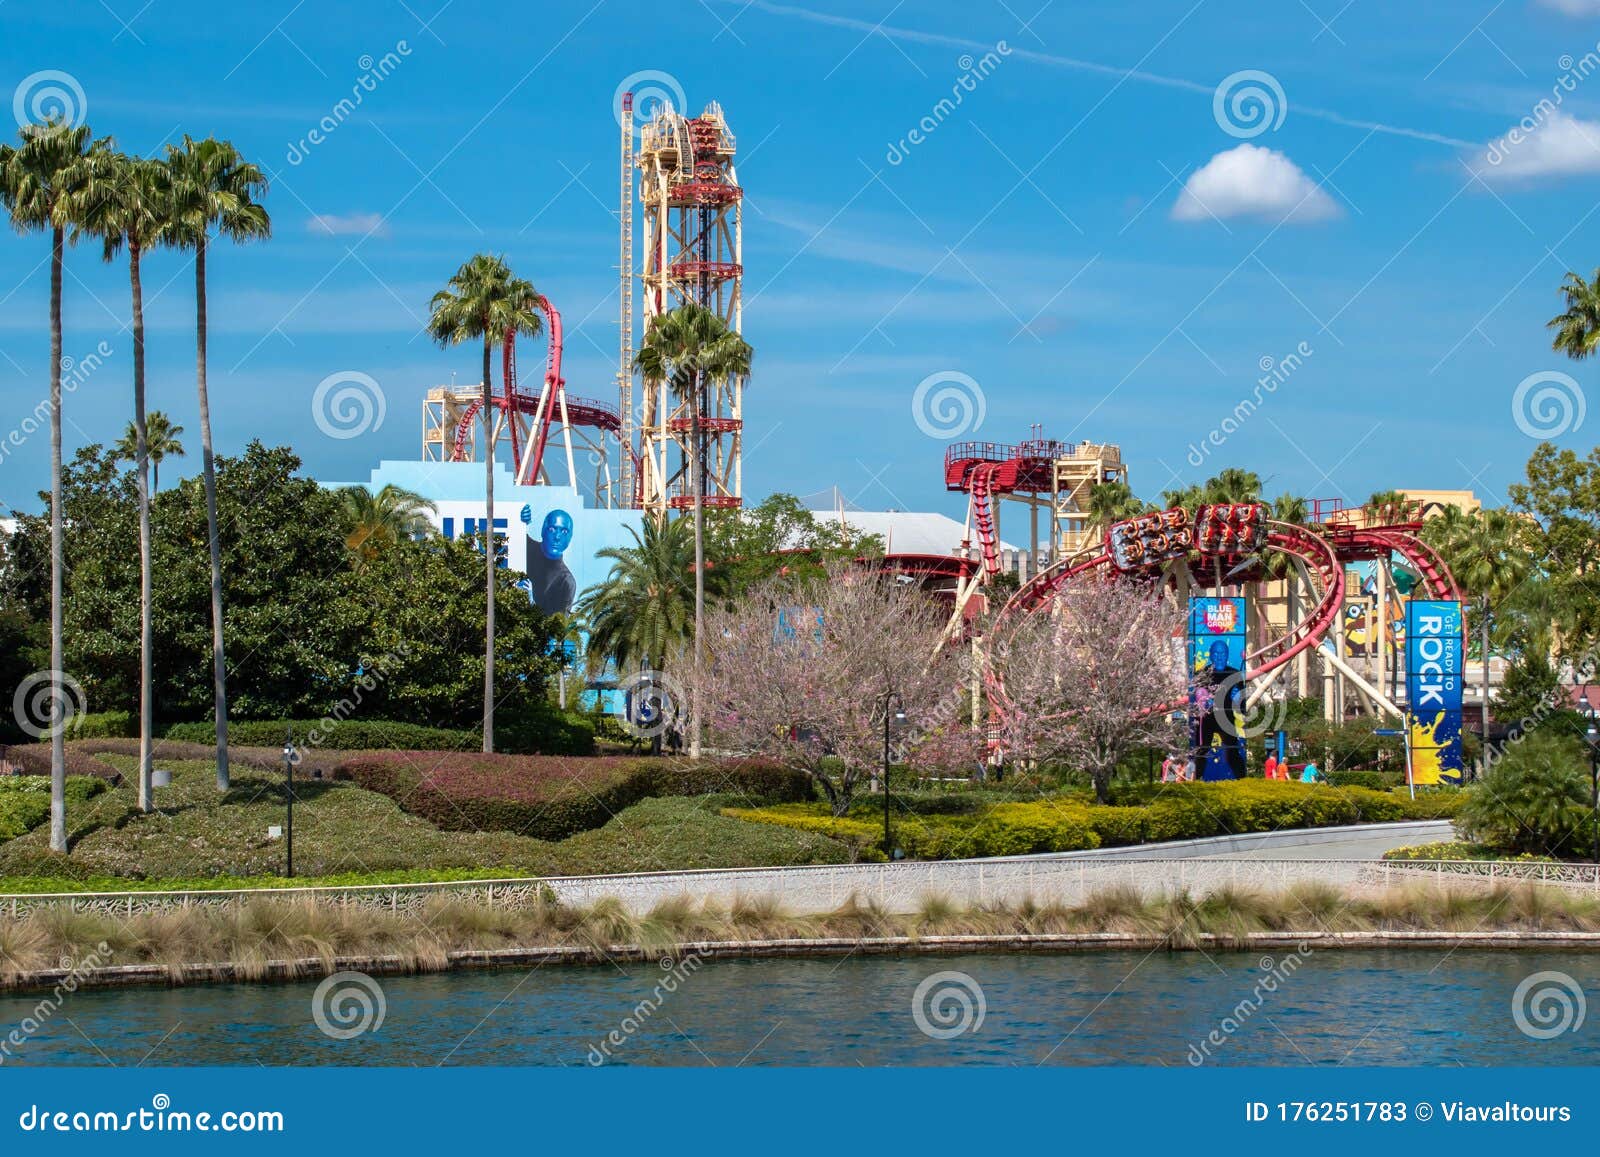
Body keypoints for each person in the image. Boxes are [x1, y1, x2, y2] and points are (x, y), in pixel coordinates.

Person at [520, 505, 577, 612]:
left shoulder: (566, 582)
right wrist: (520, 522)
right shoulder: (526, 546)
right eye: (552, 529)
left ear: (570, 537)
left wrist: (531, 601)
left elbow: (556, 625)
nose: (557, 537)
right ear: (543, 531)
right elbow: (509, 537)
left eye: (564, 531)